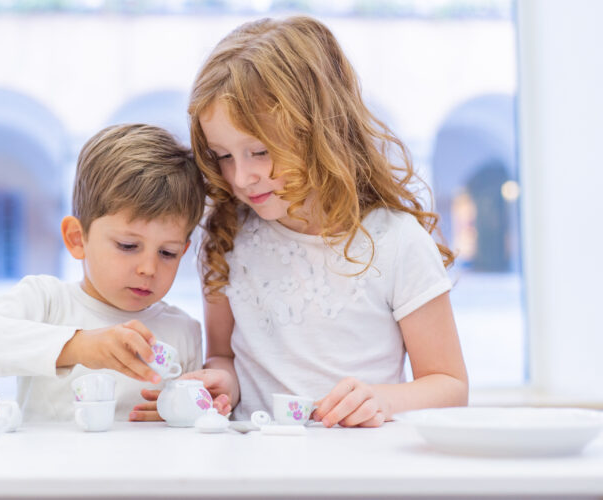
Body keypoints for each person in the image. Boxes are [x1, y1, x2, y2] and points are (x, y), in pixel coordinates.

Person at [182, 16, 468, 427]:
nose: (241, 177)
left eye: (260, 152)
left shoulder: (396, 242)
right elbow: (223, 355)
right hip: (252, 459)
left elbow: (450, 386)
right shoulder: (228, 237)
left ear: (318, 132)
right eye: (223, 156)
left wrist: (383, 400)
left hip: (359, 461)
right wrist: (222, 381)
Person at [0, 123, 221, 422]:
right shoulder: (47, 303)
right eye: (128, 246)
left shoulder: (184, 332)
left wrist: (187, 411)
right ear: (77, 239)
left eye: (167, 253)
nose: (148, 268)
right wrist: (76, 346)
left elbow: (195, 427)